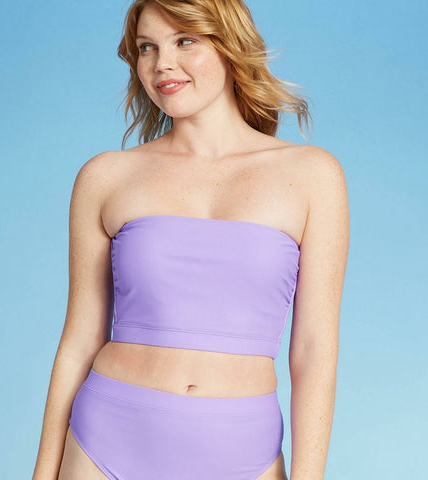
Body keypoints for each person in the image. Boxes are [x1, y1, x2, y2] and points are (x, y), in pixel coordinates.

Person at [32, 0, 349, 479]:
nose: (162, 64)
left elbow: (314, 349)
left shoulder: (312, 176)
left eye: (184, 41)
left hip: (242, 451)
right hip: (105, 442)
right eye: (147, 48)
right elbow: (79, 339)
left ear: (229, 46)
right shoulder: (106, 177)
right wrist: (42, 472)